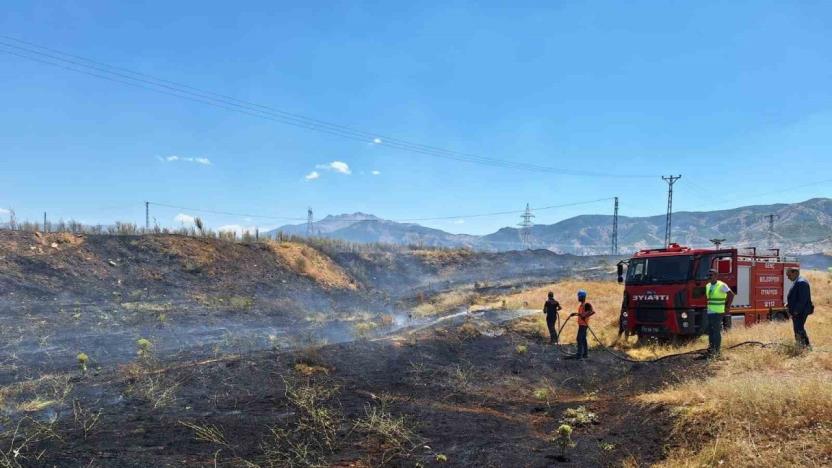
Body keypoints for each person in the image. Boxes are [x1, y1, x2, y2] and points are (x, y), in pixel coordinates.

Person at [702, 268, 734, 358]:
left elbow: (731, 295)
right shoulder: (708, 285)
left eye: (711, 275)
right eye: (708, 275)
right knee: (711, 331)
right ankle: (712, 349)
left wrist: (727, 307)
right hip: (710, 311)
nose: (709, 277)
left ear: (716, 276)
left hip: (718, 311)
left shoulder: (722, 285)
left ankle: (717, 351)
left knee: (716, 331)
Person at [786, 268, 813, 350]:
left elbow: (802, 300)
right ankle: (803, 346)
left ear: (795, 273)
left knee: (799, 328)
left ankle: (804, 347)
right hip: (799, 311)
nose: (788, 277)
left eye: (789, 275)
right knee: (798, 328)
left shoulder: (801, 282)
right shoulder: (798, 282)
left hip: (801, 311)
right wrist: (789, 304)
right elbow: (797, 297)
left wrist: (796, 311)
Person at [569, 289, 594, 359]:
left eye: (579, 296)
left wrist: (585, 316)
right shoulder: (581, 305)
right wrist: (575, 314)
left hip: (583, 325)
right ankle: (585, 354)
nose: (578, 298)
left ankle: (579, 355)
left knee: (579, 339)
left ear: (582, 297)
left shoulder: (587, 304)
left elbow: (592, 312)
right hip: (581, 325)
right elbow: (582, 314)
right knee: (583, 339)